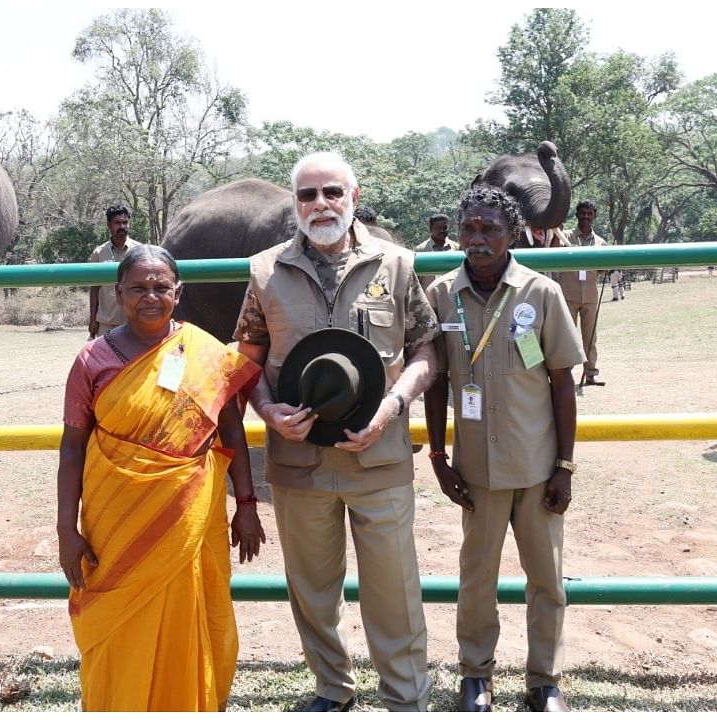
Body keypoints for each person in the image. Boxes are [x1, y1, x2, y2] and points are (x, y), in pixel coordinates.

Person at [233, 151, 439, 712]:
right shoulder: (264, 271)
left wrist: (394, 405)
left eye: (332, 192)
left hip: (381, 454)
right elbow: (246, 362)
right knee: (314, 590)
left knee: (394, 590)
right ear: (294, 203)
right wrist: (268, 412)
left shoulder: (397, 264)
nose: (320, 204)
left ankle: (405, 698)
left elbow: (425, 351)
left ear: (354, 195)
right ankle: (332, 689)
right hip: (299, 463)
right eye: (307, 195)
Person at [58, 245, 265, 711]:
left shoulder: (205, 352)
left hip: (190, 517)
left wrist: (246, 506)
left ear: (178, 291)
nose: (150, 297)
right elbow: (72, 447)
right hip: (116, 520)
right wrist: (64, 531)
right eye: (137, 288)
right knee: (119, 620)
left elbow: (231, 428)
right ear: (118, 293)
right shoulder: (93, 360)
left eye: (160, 287)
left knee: (192, 614)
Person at [423, 185, 584, 713]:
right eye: (469, 228)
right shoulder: (442, 294)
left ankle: (545, 681)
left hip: (537, 467)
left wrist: (563, 466)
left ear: (512, 233)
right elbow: (438, 382)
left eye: (490, 228)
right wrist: (439, 459)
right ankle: (476, 676)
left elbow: (562, 383)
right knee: (476, 578)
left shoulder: (541, 293)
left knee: (546, 579)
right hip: (476, 471)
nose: (477, 239)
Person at [556, 200, 608, 386]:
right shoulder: (565, 237)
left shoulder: (600, 242)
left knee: (590, 336)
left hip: (590, 297)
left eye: (589, 214)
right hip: (567, 296)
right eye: (582, 213)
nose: (586, 217)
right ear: (577, 215)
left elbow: (603, 270)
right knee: (567, 336)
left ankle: (591, 373)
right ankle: (565, 373)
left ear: (594, 217)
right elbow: (553, 253)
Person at [87, 205, 142, 340]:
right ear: (108, 225)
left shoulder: (140, 250)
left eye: (125, 222)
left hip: (133, 321)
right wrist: (93, 319)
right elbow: (94, 288)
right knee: (106, 359)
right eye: (117, 223)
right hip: (106, 322)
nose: (122, 226)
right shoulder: (99, 253)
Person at [413, 214, 460, 291]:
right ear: (431, 229)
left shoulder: (456, 248)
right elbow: (415, 280)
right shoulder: (421, 250)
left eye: (445, 228)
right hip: (429, 298)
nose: (442, 230)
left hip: (451, 297)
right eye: (438, 228)